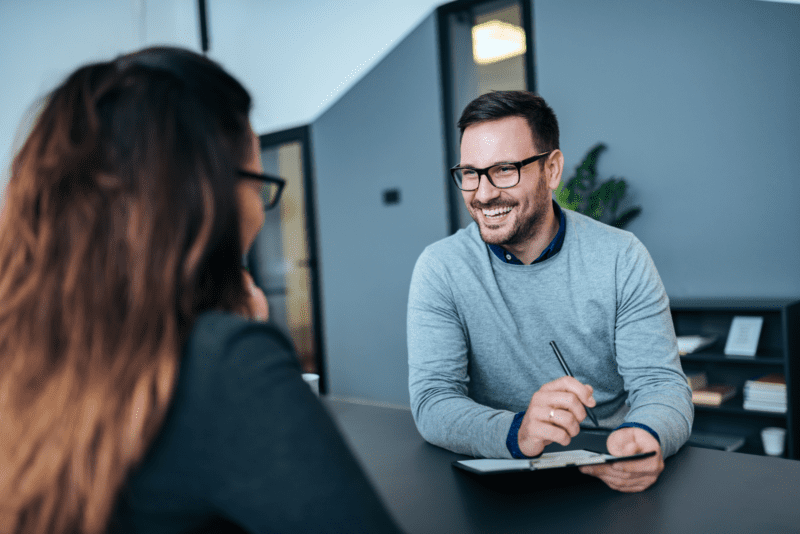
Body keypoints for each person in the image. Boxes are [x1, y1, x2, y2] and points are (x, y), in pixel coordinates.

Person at [0, 47, 401, 533]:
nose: (259, 213)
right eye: (258, 185)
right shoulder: (224, 364)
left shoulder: (22, 350)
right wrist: (241, 342)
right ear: (205, 196)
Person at [407, 90, 693, 493]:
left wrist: (646, 433)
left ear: (552, 169)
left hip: (608, 469)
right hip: (498, 478)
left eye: (504, 169)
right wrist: (518, 431)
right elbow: (433, 401)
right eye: (470, 173)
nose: (483, 193)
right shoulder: (441, 268)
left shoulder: (620, 256)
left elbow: (661, 384)